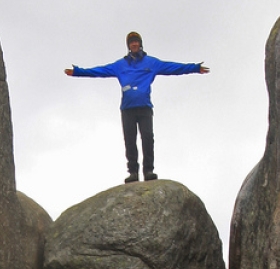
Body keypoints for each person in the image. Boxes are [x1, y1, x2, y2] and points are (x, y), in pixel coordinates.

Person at [65, 32, 209, 183]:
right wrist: (77, 72)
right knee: (130, 141)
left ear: (140, 44)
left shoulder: (151, 63)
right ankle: (133, 172)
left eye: (136, 41)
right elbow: (99, 71)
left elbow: (173, 68)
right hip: (127, 108)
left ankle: (148, 170)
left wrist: (195, 68)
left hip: (145, 107)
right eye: (131, 42)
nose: (134, 44)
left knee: (147, 138)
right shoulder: (120, 65)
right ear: (128, 46)